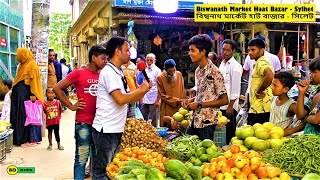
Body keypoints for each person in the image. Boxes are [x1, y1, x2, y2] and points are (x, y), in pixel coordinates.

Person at [91, 36, 150, 179]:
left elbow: (127, 97)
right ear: (117, 52)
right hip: (106, 130)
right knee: (102, 172)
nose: (129, 53)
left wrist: (143, 90)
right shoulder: (109, 72)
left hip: (114, 128)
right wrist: (141, 90)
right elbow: (120, 99)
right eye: (127, 50)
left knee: (111, 169)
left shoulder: (118, 71)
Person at [53, 45, 107, 179]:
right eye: (103, 58)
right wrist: (71, 106)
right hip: (83, 123)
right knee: (81, 158)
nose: (105, 61)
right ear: (94, 58)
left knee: (97, 159)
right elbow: (57, 88)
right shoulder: (79, 73)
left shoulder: (104, 74)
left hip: (100, 123)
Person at [181, 34, 228, 140]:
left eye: (193, 50)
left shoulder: (215, 72)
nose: (189, 53)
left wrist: (199, 104)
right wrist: (190, 100)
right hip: (195, 120)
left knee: (203, 154)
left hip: (207, 124)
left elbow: (224, 100)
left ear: (203, 52)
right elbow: (203, 95)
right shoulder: (198, 71)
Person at [10, 48, 44, 146]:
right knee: (19, 115)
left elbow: (33, 80)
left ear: (24, 55)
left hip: (26, 94)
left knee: (25, 116)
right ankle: (19, 138)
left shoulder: (31, 65)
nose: (17, 57)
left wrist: (33, 94)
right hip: (19, 94)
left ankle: (27, 139)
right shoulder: (22, 65)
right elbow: (17, 79)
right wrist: (13, 90)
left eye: (18, 55)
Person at [219, 39, 243, 144]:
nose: (225, 52)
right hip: (220, 103)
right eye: (223, 49)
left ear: (233, 51)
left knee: (230, 130)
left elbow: (236, 88)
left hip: (229, 105)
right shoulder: (222, 64)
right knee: (221, 129)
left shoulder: (236, 66)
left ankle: (231, 149)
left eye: (228, 50)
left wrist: (231, 105)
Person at [247, 38, 274, 125]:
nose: (250, 53)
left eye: (253, 50)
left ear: (262, 50)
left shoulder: (261, 62)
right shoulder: (259, 62)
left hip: (260, 109)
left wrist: (258, 91)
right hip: (260, 107)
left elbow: (270, 75)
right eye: (249, 50)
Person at [270, 71, 305, 136]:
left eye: (275, 85)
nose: (272, 87)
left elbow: (302, 119)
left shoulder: (291, 105)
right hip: (272, 135)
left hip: (283, 138)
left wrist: (289, 131)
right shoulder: (273, 99)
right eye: (272, 84)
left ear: (285, 89)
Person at [156, 59, 186, 129]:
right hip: (167, 108)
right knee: (168, 126)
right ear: (166, 70)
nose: (173, 72)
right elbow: (162, 95)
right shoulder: (160, 78)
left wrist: (184, 101)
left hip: (179, 107)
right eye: (170, 71)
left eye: (174, 69)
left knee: (180, 126)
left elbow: (182, 89)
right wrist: (176, 100)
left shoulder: (179, 74)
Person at [297, 57, 320, 135]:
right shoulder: (315, 92)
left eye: (314, 72)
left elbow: (316, 120)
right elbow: (300, 115)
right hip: (310, 135)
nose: (310, 75)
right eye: (310, 72)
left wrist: (305, 118)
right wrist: (301, 92)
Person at [141, 53, 161, 127]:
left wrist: (158, 100)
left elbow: (160, 86)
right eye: (147, 60)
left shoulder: (157, 71)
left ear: (154, 61)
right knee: (143, 118)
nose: (149, 62)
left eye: (151, 60)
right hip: (145, 98)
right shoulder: (145, 70)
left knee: (154, 121)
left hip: (154, 99)